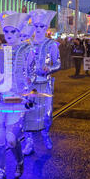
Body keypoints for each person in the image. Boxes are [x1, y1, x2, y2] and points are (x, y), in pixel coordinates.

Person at [0, 12, 34, 179]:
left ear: (19, 32)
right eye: (6, 32)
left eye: (12, 32)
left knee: (11, 139)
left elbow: (32, 76)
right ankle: (1, 173)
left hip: (17, 100)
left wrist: (27, 91)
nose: (8, 36)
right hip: (0, 99)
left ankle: (20, 160)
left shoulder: (28, 51)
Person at [23, 9, 60, 155]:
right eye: (36, 26)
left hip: (45, 83)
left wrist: (49, 68)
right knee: (27, 113)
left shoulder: (52, 44)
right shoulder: (26, 44)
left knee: (46, 114)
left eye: (42, 27)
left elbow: (58, 64)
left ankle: (46, 134)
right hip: (29, 85)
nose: (38, 30)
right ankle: (29, 143)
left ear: (46, 28)